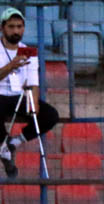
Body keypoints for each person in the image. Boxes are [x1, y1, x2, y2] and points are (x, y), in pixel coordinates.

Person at [0, 7, 60, 179]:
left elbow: (33, 81)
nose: (16, 31)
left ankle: (13, 143)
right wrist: (11, 66)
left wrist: (33, 103)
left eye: (19, 26)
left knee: (50, 115)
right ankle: (3, 146)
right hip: (0, 94)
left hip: (19, 96)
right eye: (11, 27)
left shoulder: (28, 51)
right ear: (2, 28)